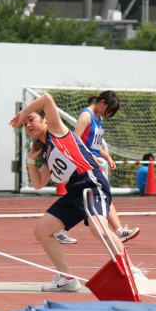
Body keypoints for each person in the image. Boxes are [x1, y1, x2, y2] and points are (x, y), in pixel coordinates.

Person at [9, 92, 146, 292]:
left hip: (90, 181)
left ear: (45, 120)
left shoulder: (56, 130)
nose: (28, 125)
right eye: (25, 124)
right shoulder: (46, 150)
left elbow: (46, 98)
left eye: (32, 120)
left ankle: (132, 270)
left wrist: (23, 113)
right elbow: (39, 183)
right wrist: (31, 160)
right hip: (74, 192)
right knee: (42, 231)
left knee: (97, 228)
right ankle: (67, 279)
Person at [54, 91, 139, 245]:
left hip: (95, 163)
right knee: (86, 199)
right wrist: (90, 156)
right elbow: (76, 139)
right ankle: (61, 229)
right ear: (102, 102)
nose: (108, 114)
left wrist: (107, 156)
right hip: (85, 163)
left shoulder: (98, 118)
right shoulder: (86, 116)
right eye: (108, 109)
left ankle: (118, 231)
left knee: (98, 197)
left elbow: (95, 145)